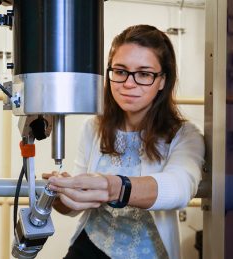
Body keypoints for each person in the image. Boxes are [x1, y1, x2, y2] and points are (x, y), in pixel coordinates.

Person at [43, 25, 205, 259]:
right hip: (91, 245)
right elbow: (75, 209)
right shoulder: (94, 126)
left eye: (144, 74)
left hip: (148, 253)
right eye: (120, 71)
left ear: (162, 81)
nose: (129, 83)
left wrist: (113, 187)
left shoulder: (185, 134)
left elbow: (180, 188)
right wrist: (62, 195)